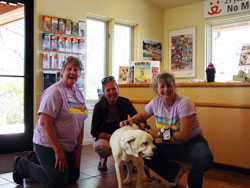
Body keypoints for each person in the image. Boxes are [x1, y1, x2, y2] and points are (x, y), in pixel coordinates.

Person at [120, 72, 213, 188]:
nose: (166, 89)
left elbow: (184, 135)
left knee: (205, 158)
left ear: (174, 86)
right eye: (162, 86)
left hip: (192, 143)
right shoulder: (155, 103)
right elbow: (142, 116)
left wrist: (159, 134)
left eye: (169, 85)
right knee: (144, 154)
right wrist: (131, 121)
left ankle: (193, 183)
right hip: (171, 144)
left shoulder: (185, 103)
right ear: (157, 89)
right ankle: (173, 174)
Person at [13, 56, 88, 188]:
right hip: (48, 144)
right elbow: (45, 124)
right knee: (58, 182)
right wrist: (58, 151)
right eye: (69, 69)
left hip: (69, 146)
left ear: (79, 74)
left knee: (72, 177)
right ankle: (22, 165)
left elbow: (80, 122)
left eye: (76, 70)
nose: (72, 72)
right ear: (62, 71)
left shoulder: (79, 94)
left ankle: (35, 159)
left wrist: (79, 147)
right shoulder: (54, 92)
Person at [91, 76, 145, 171]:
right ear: (104, 93)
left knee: (134, 133)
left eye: (114, 89)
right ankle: (103, 158)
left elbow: (137, 117)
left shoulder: (125, 102)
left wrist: (141, 126)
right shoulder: (98, 106)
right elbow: (94, 131)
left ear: (118, 89)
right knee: (102, 147)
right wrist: (113, 137)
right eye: (108, 90)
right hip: (106, 137)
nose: (112, 92)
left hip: (122, 137)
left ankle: (127, 160)